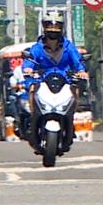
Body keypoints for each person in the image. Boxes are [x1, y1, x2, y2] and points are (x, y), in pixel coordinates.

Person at [22, 9, 88, 153]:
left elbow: (77, 63)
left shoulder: (68, 47)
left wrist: (81, 72)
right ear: (44, 27)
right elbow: (29, 61)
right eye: (49, 26)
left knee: (75, 90)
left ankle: (69, 122)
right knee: (32, 89)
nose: (53, 29)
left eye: (56, 26)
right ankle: (34, 122)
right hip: (43, 81)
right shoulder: (37, 48)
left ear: (62, 28)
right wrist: (28, 69)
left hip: (65, 81)